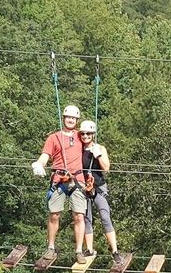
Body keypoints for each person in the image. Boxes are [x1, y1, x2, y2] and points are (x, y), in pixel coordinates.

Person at [31, 105, 88, 264]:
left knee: (79, 216)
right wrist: (39, 164)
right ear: (64, 118)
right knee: (54, 214)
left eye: (73, 118)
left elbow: (91, 147)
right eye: (68, 117)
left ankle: (79, 250)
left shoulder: (80, 136)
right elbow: (45, 155)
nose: (70, 120)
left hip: (77, 180)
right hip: (59, 179)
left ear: (77, 120)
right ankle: (50, 247)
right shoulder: (54, 138)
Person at [79, 120, 122, 264]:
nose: (85, 136)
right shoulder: (79, 150)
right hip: (84, 186)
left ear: (93, 134)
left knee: (105, 216)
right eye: (83, 133)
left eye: (88, 134)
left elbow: (106, 168)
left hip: (98, 186)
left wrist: (98, 155)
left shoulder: (100, 148)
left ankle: (115, 251)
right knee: (86, 218)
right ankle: (89, 249)